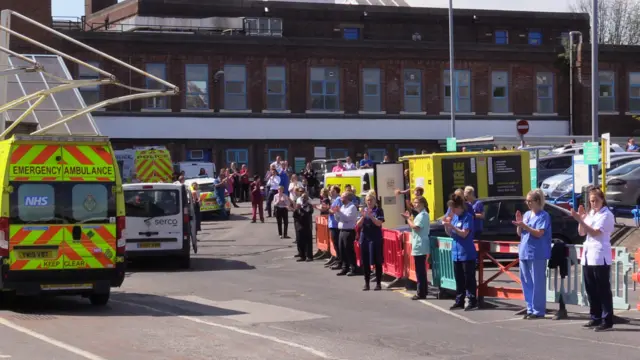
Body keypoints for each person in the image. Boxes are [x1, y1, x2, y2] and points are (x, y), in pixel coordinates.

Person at [571, 187, 615, 332]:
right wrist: (581, 220)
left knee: (602, 288)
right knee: (591, 288)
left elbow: (596, 233)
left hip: (600, 254)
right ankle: (595, 316)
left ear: (602, 200)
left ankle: (607, 319)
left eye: (596, 200)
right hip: (588, 255)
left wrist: (581, 221)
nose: (594, 203)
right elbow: (582, 232)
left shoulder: (606, 214)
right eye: (591, 201)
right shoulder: (591, 213)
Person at [513, 189, 551, 320]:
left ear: (538, 201)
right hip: (524, 251)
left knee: (537, 282)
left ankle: (538, 310)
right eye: (527, 201)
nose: (528, 204)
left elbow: (539, 233)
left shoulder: (543, 215)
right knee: (526, 281)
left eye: (530, 201)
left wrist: (525, 226)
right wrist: (519, 225)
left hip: (537, 253)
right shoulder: (527, 214)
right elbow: (520, 233)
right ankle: (530, 308)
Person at [444, 194, 477, 311]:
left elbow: (464, 233)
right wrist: (447, 226)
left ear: (459, 207)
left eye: (453, 209)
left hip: (466, 252)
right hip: (456, 252)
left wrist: (452, 226)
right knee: (459, 279)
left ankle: (472, 300)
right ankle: (459, 300)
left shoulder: (467, 217)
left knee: (469, 279)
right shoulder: (455, 218)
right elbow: (450, 234)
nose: (452, 211)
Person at [401, 196, 430, 300]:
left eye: (417, 202)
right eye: (414, 202)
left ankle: (421, 292)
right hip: (418, 243)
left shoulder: (423, 215)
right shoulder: (420, 215)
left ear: (423, 203)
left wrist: (408, 219)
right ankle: (423, 290)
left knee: (420, 270)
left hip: (420, 244)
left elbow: (415, 227)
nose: (415, 204)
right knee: (420, 269)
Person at [357, 190, 385, 291]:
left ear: (374, 201)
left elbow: (379, 223)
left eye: (371, 200)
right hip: (365, 237)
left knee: (377, 261)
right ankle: (367, 283)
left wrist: (371, 216)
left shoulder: (379, 210)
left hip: (375, 238)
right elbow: (358, 224)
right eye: (367, 200)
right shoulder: (363, 210)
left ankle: (378, 283)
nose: (369, 202)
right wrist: (363, 217)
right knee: (365, 261)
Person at [330, 191, 358, 276]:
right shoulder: (343, 207)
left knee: (348, 250)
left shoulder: (352, 207)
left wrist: (340, 212)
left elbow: (347, 218)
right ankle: (344, 268)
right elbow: (338, 219)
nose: (341, 199)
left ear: (347, 198)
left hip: (348, 231)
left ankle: (353, 268)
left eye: (343, 197)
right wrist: (336, 213)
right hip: (341, 230)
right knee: (342, 250)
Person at [293, 194, 315, 262]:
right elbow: (295, 215)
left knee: (307, 242)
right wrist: (296, 209)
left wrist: (301, 209)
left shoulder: (309, 206)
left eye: (305, 197)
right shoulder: (299, 205)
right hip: (299, 226)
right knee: (300, 241)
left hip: (306, 226)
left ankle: (309, 256)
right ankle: (302, 256)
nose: (303, 199)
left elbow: (307, 214)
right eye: (302, 197)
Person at [326, 186, 343, 269]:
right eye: (330, 191)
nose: (331, 192)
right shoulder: (333, 200)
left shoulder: (339, 200)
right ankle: (339, 260)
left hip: (336, 225)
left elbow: (338, 211)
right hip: (332, 224)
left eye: (332, 191)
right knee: (335, 244)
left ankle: (341, 262)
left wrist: (329, 210)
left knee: (337, 244)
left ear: (336, 191)